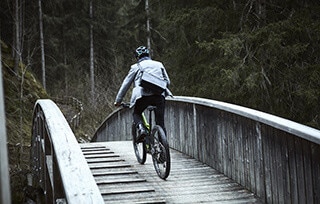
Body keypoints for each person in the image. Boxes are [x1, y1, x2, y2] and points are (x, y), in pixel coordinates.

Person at [114, 46, 171, 140]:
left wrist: (118, 101)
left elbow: (125, 85)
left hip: (143, 96)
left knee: (136, 113)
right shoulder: (159, 64)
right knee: (160, 123)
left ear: (137, 57)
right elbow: (167, 82)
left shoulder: (135, 67)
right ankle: (163, 149)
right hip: (159, 96)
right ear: (148, 55)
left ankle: (141, 129)